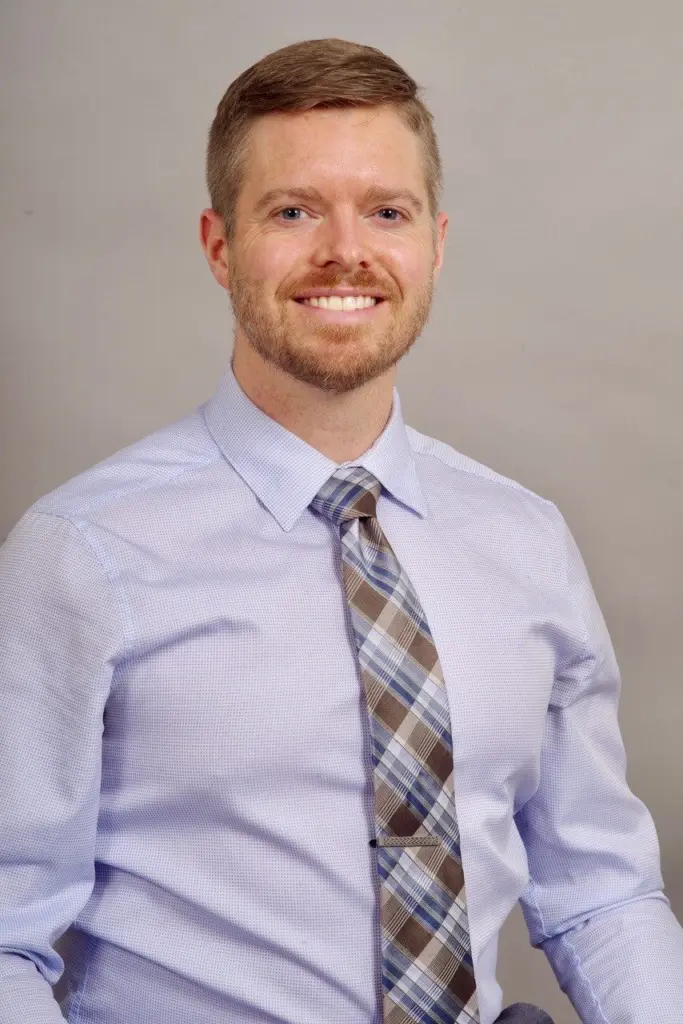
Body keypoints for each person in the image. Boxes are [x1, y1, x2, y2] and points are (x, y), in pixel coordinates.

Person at [0, 37, 681, 1024]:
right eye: (292, 211)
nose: (345, 251)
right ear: (218, 245)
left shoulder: (526, 543)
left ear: (434, 244)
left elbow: (602, 893)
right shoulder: (82, 555)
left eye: (386, 212)